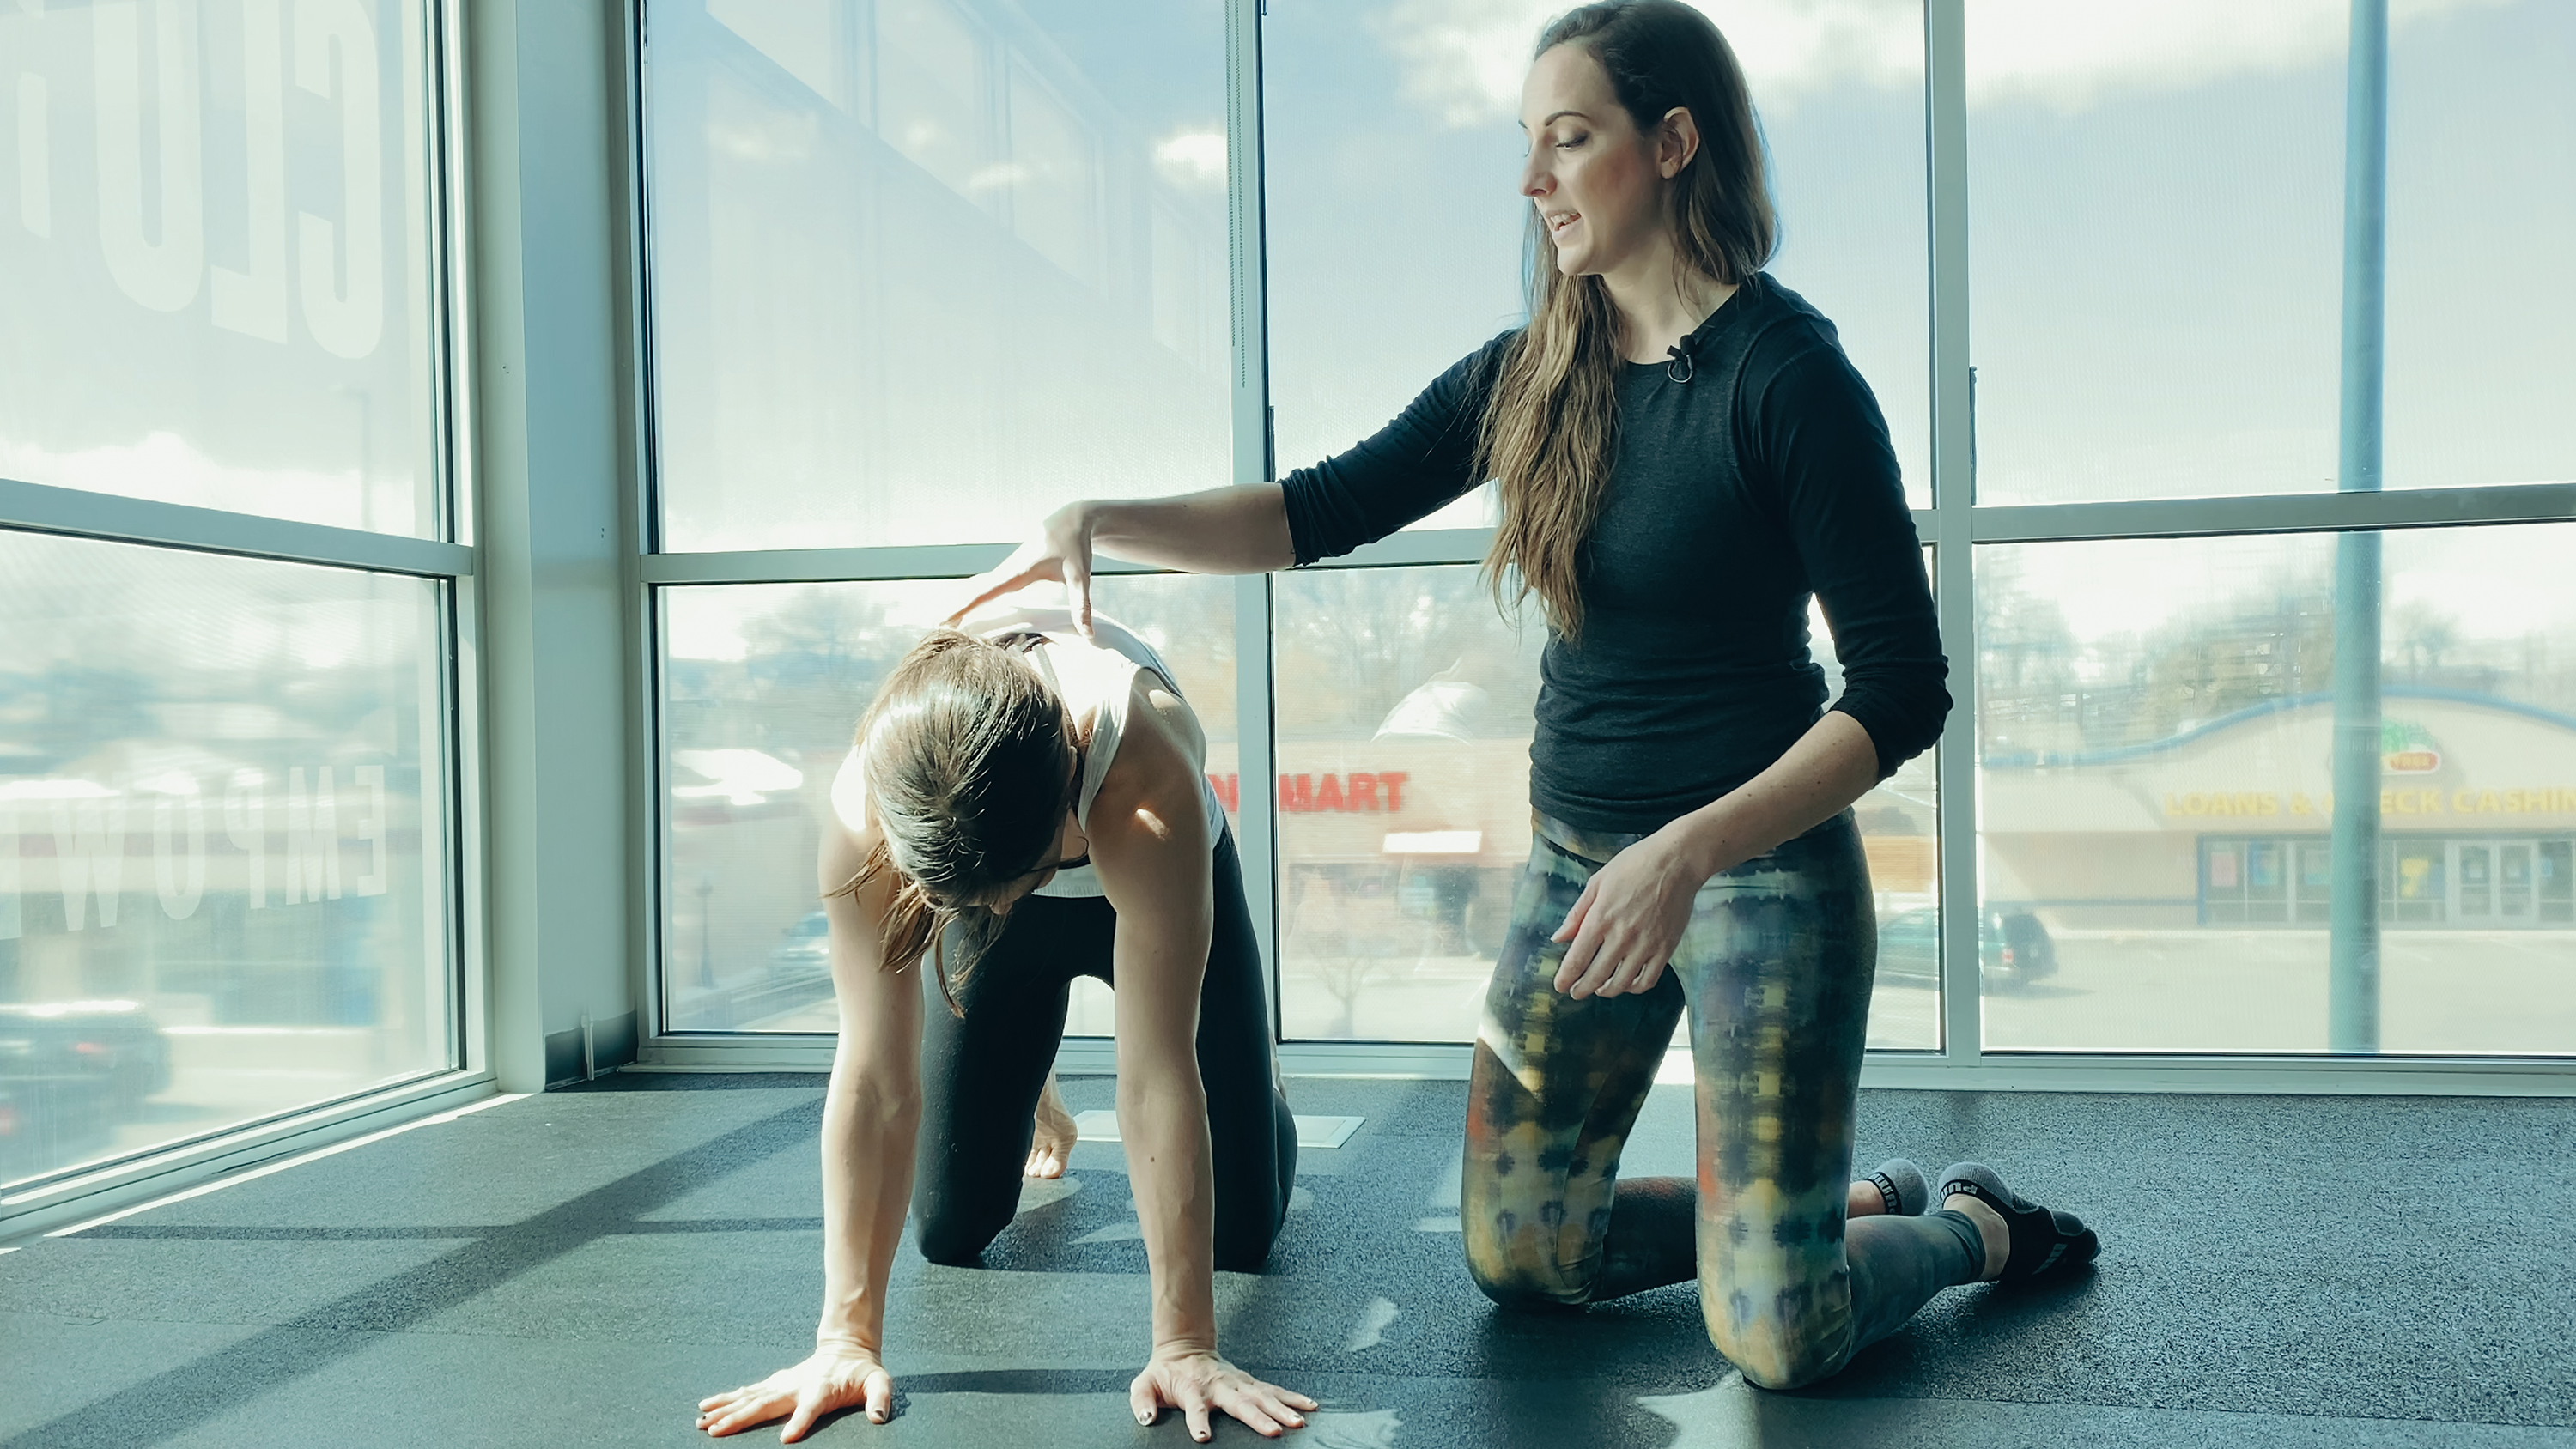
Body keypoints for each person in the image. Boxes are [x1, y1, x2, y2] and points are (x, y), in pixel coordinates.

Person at [957, 0, 2096, 1392]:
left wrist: (1686, 853)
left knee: (1778, 1339)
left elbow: (1904, 689)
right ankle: (1826, 1216)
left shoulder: (1789, 379)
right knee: (1525, 1254)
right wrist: (1099, 517)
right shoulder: (1534, 372)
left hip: (1760, 877)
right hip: (1577, 869)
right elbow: (1319, 509)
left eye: (1568, 138)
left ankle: (1972, 1226)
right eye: (1528, 142)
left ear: (1671, 144)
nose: (1531, 179)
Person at [695, 604, 1314, 1442]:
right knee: (949, 1227)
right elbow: (874, 1077)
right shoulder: (868, 807)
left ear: (1061, 816)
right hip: (991, 856)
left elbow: (1153, 1074)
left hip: (1145, 866)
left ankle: (1255, 1090)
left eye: (1005, 889)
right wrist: (844, 1340)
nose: (990, 909)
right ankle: (1032, 1068)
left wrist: (1185, 1346)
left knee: (1237, 1234)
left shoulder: (1144, 769)